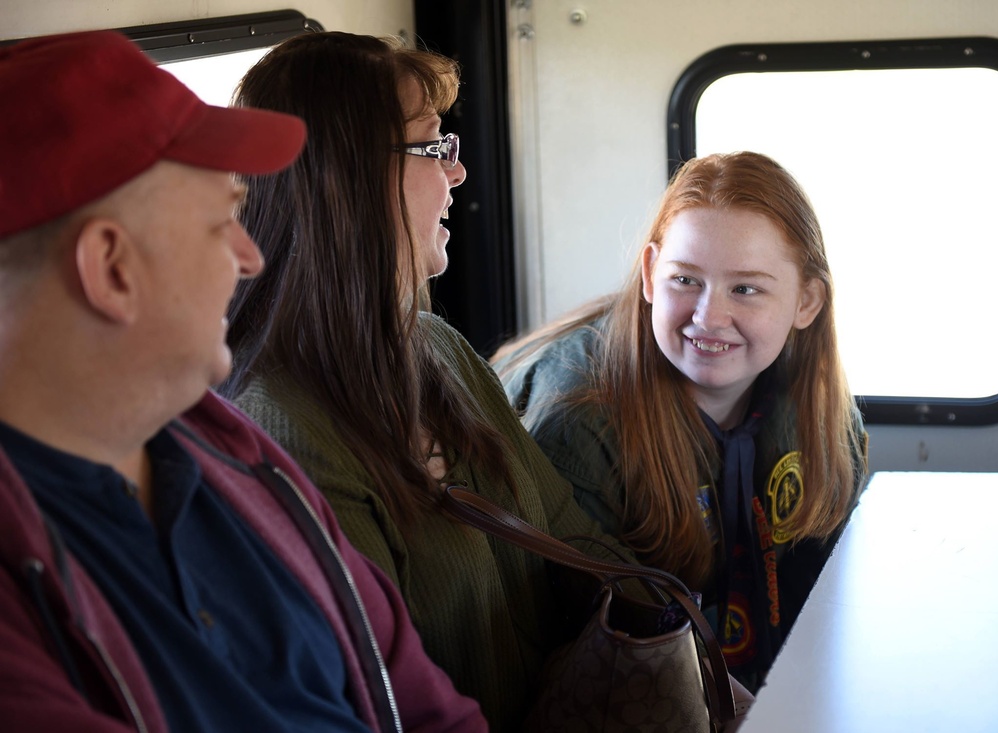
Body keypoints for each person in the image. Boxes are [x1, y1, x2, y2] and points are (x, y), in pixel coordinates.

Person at [0, 30, 487, 733]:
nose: (250, 256)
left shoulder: (244, 462)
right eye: (222, 218)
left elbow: (433, 711)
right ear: (111, 268)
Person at [220, 31, 643, 732]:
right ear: (351, 176)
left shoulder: (436, 348)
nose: (458, 173)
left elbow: (574, 536)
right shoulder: (282, 427)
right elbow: (377, 695)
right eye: (433, 146)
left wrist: (681, 640)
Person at [493, 151, 869, 692]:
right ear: (650, 274)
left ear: (806, 301)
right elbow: (578, 641)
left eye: (746, 288)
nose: (708, 317)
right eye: (686, 279)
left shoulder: (818, 408)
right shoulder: (580, 424)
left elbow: (828, 591)